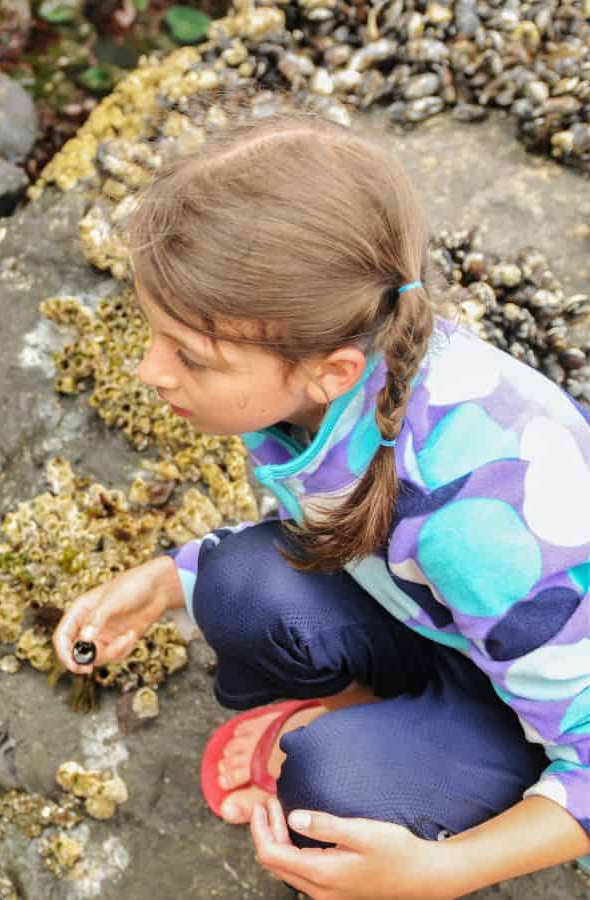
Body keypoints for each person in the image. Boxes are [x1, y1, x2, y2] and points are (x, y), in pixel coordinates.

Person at [52, 108, 590, 898]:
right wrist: (171, 579)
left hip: (549, 711)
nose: (147, 371)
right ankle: (367, 701)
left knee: (332, 800)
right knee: (233, 583)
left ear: (331, 371)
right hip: (446, 619)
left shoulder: (480, 521)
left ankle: (411, 760)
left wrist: (441, 873)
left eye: (189, 357)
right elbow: (334, 518)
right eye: (154, 334)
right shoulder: (316, 387)